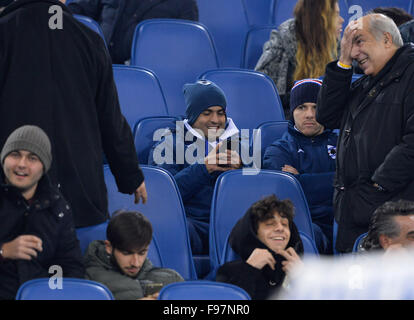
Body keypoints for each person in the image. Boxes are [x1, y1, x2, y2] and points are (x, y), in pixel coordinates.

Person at [0, 0, 147, 228]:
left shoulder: (5, 32)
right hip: (79, 193)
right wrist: (130, 176)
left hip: (12, 190)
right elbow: (110, 120)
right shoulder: (89, 40)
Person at [316, 13, 414, 253]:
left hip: (396, 215)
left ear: (387, 40)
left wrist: (377, 186)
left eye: (359, 41)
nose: (354, 51)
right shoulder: (366, 83)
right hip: (356, 212)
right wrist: (342, 62)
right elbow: (327, 116)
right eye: (349, 43)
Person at [148, 80, 245, 255]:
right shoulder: (168, 145)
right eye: (206, 113)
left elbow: (256, 195)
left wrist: (241, 172)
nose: (215, 120)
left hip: (234, 225)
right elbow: (163, 195)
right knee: (176, 228)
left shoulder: (239, 145)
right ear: (193, 116)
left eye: (220, 113)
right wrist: (203, 168)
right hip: (193, 224)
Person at [0, 125, 85, 300]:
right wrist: (3, 251)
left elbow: (70, 266)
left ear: (44, 166)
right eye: (15, 154)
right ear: (3, 159)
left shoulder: (58, 207)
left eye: (32, 158)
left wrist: (53, 292)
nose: (22, 164)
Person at [263, 79, 337, 254]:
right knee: (305, 235)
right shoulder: (278, 149)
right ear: (292, 112)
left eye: (316, 107)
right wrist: (338, 178)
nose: (310, 114)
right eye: (302, 107)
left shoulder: (344, 144)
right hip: (305, 222)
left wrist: (301, 179)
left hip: (344, 219)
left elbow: (356, 181)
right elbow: (288, 192)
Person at [255, 0, 344, 117]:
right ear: (320, 19)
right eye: (336, 15)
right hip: (289, 120)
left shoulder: (336, 46)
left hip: (325, 119)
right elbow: (266, 96)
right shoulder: (281, 45)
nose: (342, 20)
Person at [216, 195, 304, 300]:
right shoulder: (229, 272)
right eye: (270, 224)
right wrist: (249, 270)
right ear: (254, 233)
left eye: (285, 224)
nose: (280, 228)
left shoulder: (302, 271)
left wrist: (303, 278)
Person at [84, 210, 183, 300]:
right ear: (109, 247)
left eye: (142, 253)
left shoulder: (171, 279)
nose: (135, 263)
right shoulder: (89, 281)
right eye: (126, 253)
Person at [68, 0, 199, 64]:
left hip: (148, 74)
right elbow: (75, 12)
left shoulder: (183, 4)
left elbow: (185, 49)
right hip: (98, 63)